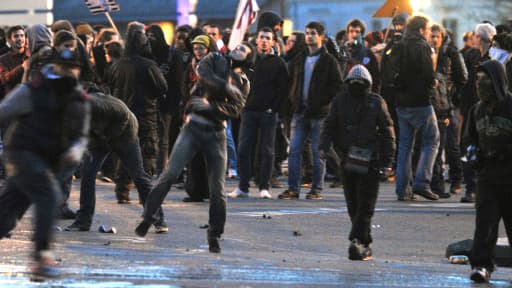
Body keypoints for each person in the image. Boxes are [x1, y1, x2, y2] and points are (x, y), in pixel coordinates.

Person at [135, 49, 246, 254]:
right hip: (193, 129)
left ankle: (214, 234)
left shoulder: (243, 81)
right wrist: (225, 89)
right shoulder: (214, 60)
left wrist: (209, 105)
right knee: (169, 174)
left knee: (217, 190)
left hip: (216, 133)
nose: (240, 51)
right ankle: (148, 217)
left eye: (244, 51)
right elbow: (202, 76)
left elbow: (234, 110)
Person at [0, 48, 90, 279]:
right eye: (64, 67)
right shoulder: (32, 90)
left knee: (7, 211)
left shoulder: (79, 98)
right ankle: (41, 258)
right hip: (21, 152)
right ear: (55, 67)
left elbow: (81, 135)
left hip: (47, 158)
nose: (69, 73)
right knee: (49, 196)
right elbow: (3, 112)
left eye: (73, 69)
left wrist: (76, 149)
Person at [66, 85, 166, 233]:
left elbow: (124, 117)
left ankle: (158, 218)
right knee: (88, 174)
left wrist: (106, 139)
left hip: (125, 132)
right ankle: (83, 221)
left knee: (138, 175)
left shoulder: (96, 105)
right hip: (102, 137)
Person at [319, 64, 395, 261]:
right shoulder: (345, 101)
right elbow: (330, 124)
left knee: (362, 204)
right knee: (357, 203)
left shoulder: (373, 102)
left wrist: (387, 158)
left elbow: (387, 132)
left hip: (367, 160)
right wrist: (324, 145)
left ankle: (359, 239)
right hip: (353, 159)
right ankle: (362, 241)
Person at [277, 22, 343, 200]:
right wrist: (291, 104)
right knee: (295, 151)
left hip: (319, 114)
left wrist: (321, 102)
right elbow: (292, 83)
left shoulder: (329, 60)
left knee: (317, 153)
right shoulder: (300, 58)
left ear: (321, 36)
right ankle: (293, 189)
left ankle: (316, 190)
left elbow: (337, 86)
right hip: (299, 112)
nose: (309, 36)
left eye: (313, 33)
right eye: (307, 33)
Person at [464, 59, 512, 283]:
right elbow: (470, 139)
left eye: (485, 80)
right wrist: (474, 155)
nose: (480, 85)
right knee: (485, 223)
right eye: (478, 80)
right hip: (487, 175)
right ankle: (482, 265)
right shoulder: (477, 110)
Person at [110, 22, 168, 204]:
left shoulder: (118, 65)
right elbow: (162, 87)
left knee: (124, 153)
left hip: (122, 115)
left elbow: (110, 85)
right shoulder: (148, 65)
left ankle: (122, 191)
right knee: (147, 154)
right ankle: (146, 195)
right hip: (145, 115)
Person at [228, 27, 289, 199]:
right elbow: (235, 78)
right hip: (248, 111)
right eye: (261, 37)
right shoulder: (249, 61)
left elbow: (283, 89)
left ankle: (264, 186)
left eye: (267, 38)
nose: (263, 40)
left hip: (268, 113)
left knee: (267, 150)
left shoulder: (278, 63)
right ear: (256, 40)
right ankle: (243, 187)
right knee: (243, 149)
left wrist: (274, 108)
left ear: (273, 42)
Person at [392, 15, 440, 201]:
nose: (429, 33)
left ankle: (402, 190)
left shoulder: (400, 44)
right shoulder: (422, 46)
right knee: (432, 139)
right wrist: (433, 82)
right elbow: (429, 74)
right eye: (427, 30)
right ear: (421, 30)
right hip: (420, 102)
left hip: (401, 102)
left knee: (405, 145)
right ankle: (422, 182)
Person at [428, 24, 468, 198]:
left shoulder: (451, 52)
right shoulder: (428, 52)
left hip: (450, 103)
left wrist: (453, 97)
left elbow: (462, 77)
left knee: (451, 145)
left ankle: (456, 178)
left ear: (442, 37)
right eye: (432, 36)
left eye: (437, 36)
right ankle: (437, 183)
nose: (435, 39)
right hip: (434, 104)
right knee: (436, 144)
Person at [0, 26, 29, 99]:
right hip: (12, 98)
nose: (20, 39)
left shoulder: (31, 54)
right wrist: (22, 67)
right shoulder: (3, 59)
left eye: (22, 36)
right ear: (9, 40)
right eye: (16, 36)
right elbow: (4, 79)